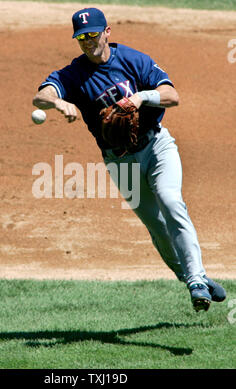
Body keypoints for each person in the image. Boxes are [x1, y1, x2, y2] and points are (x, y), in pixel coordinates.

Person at [33, 7, 226, 311]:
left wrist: (140, 97)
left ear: (107, 32)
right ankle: (189, 276)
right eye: (81, 37)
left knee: (171, 201)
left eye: (92, 34)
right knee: (157, 227)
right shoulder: (75, 73)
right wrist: (58, 102)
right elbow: (40, 96)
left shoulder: (133, 60)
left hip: (157, 147)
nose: (87, 41)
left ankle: (197, 279)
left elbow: (171, 96)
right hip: (120, 163)